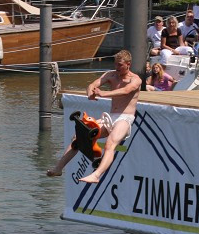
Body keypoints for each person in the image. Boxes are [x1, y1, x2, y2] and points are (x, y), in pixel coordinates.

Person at [46, 50, 141, 183]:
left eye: (120, 65)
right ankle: (59, 168)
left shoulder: (135, 79)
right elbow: (92, 85)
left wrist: (103, 94)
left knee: (110, 143)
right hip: (111, 116)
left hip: (125, 118)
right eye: (115, 64)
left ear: (128, 64)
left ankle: (96, 175)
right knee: (79, 136)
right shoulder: (111, 75)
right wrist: (90, 92)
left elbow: (126, 91)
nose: (117, 68)